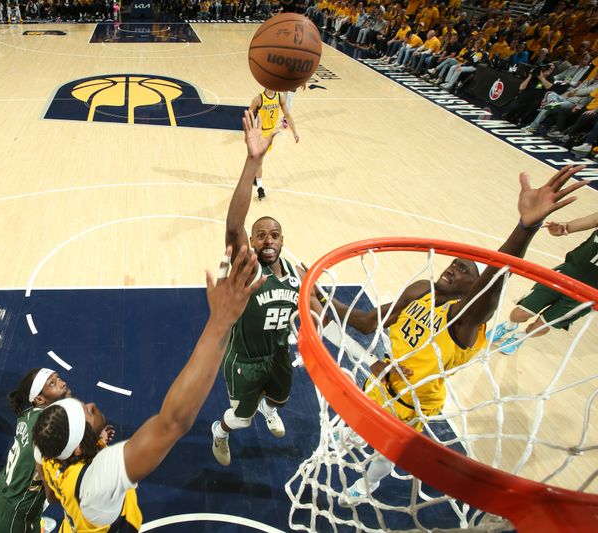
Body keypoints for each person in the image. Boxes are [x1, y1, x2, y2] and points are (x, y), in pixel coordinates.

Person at [328, 165, 586, 504]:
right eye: (453, 264)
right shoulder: (422, 291)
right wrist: (322, 301)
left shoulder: (463, 320)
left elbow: (492, 284)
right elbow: (366, 322)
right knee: (357, 425)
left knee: (387, 455)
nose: (453, 267)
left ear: (470, 289)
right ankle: (363, 433)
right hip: (383, 377)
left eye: (464, 269)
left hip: (413, 402)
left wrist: (526, 227)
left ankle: (367, 485)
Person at [32, 239, 265, 531]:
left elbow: (52, 495)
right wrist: (220, 321)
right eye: (87, 414)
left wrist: (95, 440)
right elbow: (173, 422)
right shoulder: (96, 481)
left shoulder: (45, 443)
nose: (91, 405)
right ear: (77, 449)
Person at [210, 110, 321, 466]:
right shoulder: (248, 268)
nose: (267, 239)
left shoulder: (297, 273)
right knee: (241, 419)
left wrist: (317, 299)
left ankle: (269, 411)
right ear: (253, 242)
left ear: (283, 240)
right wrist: (251, 160)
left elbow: (317, 315)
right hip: (245, 361)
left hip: (276, 356)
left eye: (274, 234)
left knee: (279, 401)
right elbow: (232, 226)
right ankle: (220, 432)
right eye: (261, 235)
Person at [489, 211, 598, 355]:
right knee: (520, 314)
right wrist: (565, 227)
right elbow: (593, 219)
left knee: (542, 325)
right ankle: (509, 326)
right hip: (566, 275)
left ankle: (519, 338)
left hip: (587, 294)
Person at [0, 368, 75, 533]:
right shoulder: (50, 430)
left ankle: (37, 523)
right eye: (52, 383)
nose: (62, 383)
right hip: (15, 516)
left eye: (58, 378)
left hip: (3, 490)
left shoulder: (28, 414)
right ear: (40, 399)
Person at [248, 88, 299, 200]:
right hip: (260, 132)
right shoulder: (258, 99)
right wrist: (250, 133)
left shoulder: (279, 97)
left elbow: (288, 115)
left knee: (258, 160)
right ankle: (260, 188)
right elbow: (249, 117)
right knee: (259, 160)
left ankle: (254, 175)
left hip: (271, 132)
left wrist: (294, 131)